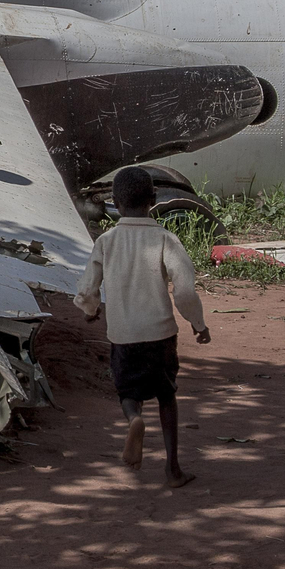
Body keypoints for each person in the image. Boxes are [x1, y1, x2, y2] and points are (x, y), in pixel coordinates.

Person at [72, 165, 210, 487]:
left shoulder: (106, 242)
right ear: (153, 199)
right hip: (160, 333)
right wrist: (198, 323)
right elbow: (185, 290)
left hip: (123, 335)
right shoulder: (165, 238)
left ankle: (134, 418)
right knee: (166, 395)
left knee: (128, 392)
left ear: (115, 203)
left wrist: (90, 311)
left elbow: (88, 288)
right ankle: (172, 469)